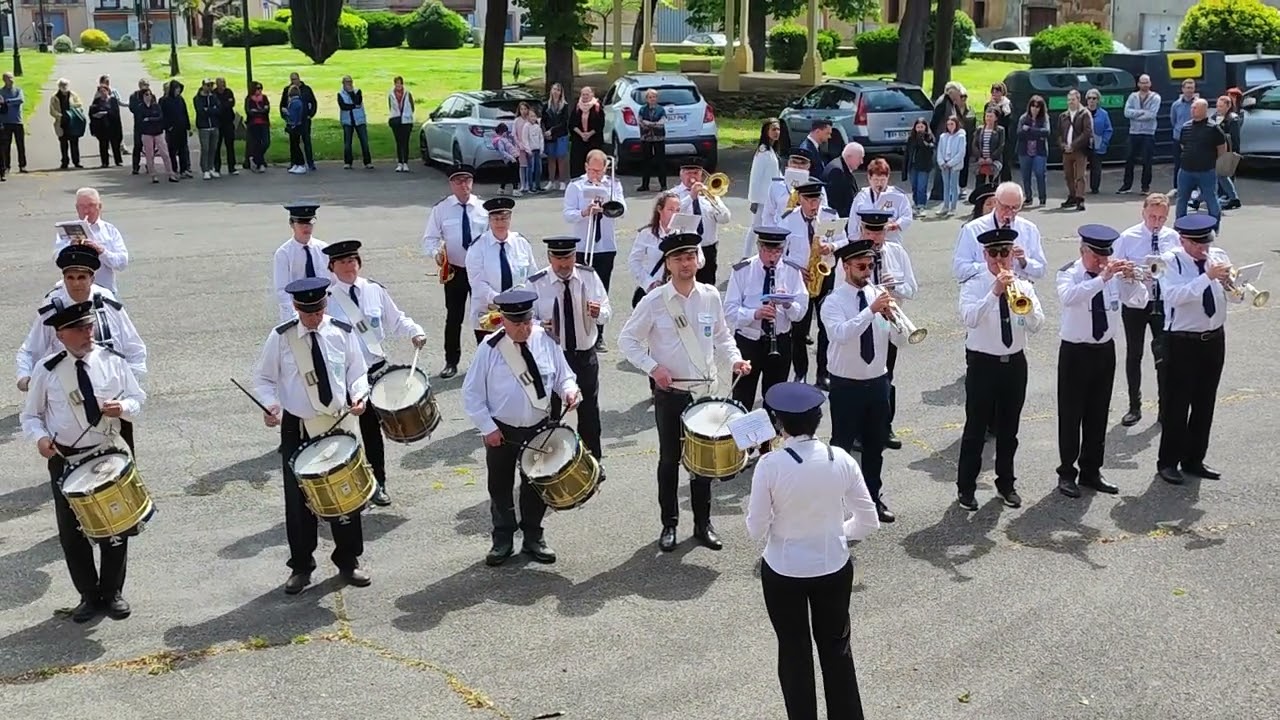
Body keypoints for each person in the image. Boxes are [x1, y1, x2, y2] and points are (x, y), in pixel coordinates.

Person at [746, 381, 878, 720]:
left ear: (779, 424)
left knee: (794, 654)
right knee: (837, 650)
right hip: (833, 567)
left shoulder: (770, 466)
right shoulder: (843, 459)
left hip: (785, 572)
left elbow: (755, 529)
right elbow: (868, 521)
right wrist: (835, 533)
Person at [618, 233, 750, 552]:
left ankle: (703, 524)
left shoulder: (709, 296)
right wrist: (653, 368)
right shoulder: (654, 301)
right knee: (670, 460)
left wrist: (735, 360)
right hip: (672, 392)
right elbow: (627, 341)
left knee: (703, 461)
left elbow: (722, 335)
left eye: (690, 257)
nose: (685, 264)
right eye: (678, 259)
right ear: (667, 264)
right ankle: (669, 524)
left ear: (697, 259)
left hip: (705, 390)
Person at [20, 301, 146, 622]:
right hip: (67, 459)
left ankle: (113, 591)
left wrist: (123, 407)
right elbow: (31, 415)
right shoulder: (47, 370)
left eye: (89, 327)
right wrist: (40, 439)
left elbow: (137, 398)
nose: (87, 333)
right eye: (78, 329)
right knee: (72, 533)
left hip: (106, 455)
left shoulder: (111, 361)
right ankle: (88, 596)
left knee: (115, 526)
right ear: (60, 335)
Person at [252, 278, 372, 594]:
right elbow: (263, 379)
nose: (314, 318)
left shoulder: (341, 333)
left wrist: (359, 396)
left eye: (318, 311)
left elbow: (357, 373)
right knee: (299, 501)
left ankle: (349, 561)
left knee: (344, 497)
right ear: (295, 307)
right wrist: (271, 406)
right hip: (299, 426)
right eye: (308, 313)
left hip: (338, 421)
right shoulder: (281, 338)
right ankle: (301, 567)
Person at [461, 288, 581, 566]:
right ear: (503, 321)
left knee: (537, 484)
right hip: (503, 430)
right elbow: (472, 394)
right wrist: (487, 428)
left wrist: (569, 391)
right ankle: (502, 539)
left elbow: (565, 376)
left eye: (528, 322)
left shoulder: (545, 341)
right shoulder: (490, 348)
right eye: (518, 324)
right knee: (500, 486)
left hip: (539, 427)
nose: (524, 329)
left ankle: (533, 537)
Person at [321, 240, 427, 507]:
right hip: (346, 377)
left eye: (353, 261)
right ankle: (347, 487)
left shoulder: (374, 290)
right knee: (346, 434)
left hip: (376, 370)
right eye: (342, 262)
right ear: (332, 267)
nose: (349, 266)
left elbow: (396, 318)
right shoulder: (327, 299)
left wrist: (414, 331)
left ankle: (378, 483)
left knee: (373, 434)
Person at [18, 246, 147, 451]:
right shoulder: (53, 307)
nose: (76, 284)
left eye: (81, 277)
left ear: (92, 278)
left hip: (110, 393)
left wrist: (128, 385)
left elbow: (133, 347)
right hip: (68, 388)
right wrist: (25, 377)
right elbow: (31, 348)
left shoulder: (107, 302)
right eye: (70, 278)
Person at [1055, 225, 1149, 498]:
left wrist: (1133, 279)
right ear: (1083, 251)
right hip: (1075, 352)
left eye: (1105, 257)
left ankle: (1091, 470)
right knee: (1071, 415)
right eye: (1096, 258)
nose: (1101, 262)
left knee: (1098, 414)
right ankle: (1066, 472)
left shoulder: (1112, 275)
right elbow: (1069, 298)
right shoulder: (1069, 273)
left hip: (1103, 351)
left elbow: (1140, 302)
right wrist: (1102, 279)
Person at [955, 227, 1045, 511]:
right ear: (984, 255)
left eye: (1004, 253)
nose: (999, 259)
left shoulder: (1024, 286)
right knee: (975, 428)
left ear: (1011, 254)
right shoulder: (973, 284)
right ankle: (966, 487)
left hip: (1014, 363)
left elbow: (1037, 324)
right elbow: (969, 318)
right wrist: (994, 293)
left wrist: (1024, 304)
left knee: (1010, 429)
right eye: (993, 254)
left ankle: (1006, 483)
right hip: (983, 363)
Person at [821, 234, 904, 523]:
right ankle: (834, 502)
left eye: (869, 266)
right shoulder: (834, 302)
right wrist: (870, 312)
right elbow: (841, 334)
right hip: (846, 384)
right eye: (861, 266)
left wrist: (896, 320)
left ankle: (872, 497)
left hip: (877, 381)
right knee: (841, 446)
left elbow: (896, 340)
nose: (867, 272)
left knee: (874, 445)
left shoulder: (877, 296)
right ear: (846, 266)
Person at [1154, 214, 1239, 486]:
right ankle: (1168, 462)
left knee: (1205, 402)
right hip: (1182, 341)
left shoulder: (1218, 255)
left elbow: (1232, 295)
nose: (1204, 248)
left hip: (1213, 338)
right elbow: (1174, 296)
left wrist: (1233, 286)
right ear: (1182, 240)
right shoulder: (1169, 261)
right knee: (1177, 404)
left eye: (1207, 242)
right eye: (1197, 243)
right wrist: (1206, 277)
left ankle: (1194, 459)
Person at [527, 236, 611, 478]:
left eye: (569, 258)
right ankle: (550, 466)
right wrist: (539, 326)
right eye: (559, 259)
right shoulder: (537, 282)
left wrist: (599, 312)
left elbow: (607, 310)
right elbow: (525, 320)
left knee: (589, 413)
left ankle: (593, 462)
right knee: (550, 414)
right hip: (553, 357)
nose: (564, 265)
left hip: (584, 354)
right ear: (549, 258)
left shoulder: (588, 276)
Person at [723, 227, 809, 444]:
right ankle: (742, 445)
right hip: (749, 342)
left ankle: (767, 444)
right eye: (769, 251)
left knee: (775, 395)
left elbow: (800, 313)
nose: (773, 256)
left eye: (778, 251)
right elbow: (730, 310)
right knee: (743, 396)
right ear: (760, 247)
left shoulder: (791, 271)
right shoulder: (743, 271)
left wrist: (787, 303)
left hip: (779, 340)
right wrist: (756, 313)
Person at [1114, 193, 1179, 426]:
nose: (1156, 222)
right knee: (1135, 353)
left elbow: (1180, 267)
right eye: (1152, 216)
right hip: (1135, 302)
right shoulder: (1128, 237)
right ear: (1143, 212)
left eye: (1162, 218)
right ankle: (1134, 405)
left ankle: (1165, 407)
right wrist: (1127, 271)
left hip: (1162, 302)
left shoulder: (1173, 237)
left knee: (1165, 356)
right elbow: (1115, 265)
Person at [855, 210, 918, 451]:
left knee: (886, 375)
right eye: (869, 231)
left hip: (888, 321)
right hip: (863, 321)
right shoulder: (852, 256)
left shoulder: (897, 253)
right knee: (862, 376)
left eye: (879, 231)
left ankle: (885, 426)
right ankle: (860, 430)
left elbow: (912, 289)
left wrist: (897, 286)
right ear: (862, 230)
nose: (874, 237)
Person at [778, 179, 847, 388]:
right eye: (809, 200)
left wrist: (832, 246)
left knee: (826, 327)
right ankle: (800, 372)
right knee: (799, 330)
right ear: (800, 199)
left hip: (825, 275)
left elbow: (845, 239)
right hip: (800, 278)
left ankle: (822, 373)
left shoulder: (829, 215)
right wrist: (797, 269)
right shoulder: (788, 220)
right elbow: (780, 251)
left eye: (816, 199)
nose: (813, 204)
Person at [422, 165, 487, 378]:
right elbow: (430, 239)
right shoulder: (441, 209)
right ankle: (451, 361)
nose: (463, 185)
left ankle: (486, 361)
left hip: (480, 272)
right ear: (451, 184)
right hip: (456, 271)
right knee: (454, 317)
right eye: (458, 181)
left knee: (484, 317)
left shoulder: (483, 208)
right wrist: (436, 253)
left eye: (467, 180)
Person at [562, 149, 627, 350]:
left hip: (605, 246)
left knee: (602, 290)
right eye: (592, 170)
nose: (596, 175)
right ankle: (582, 331)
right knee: (581, 289)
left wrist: (607, 207)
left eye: (599, 171)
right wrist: (584, 212)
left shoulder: (613, 185)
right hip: (583, 245)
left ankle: (599, 334)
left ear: (606, 169)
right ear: (586, 167)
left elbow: (622, 212)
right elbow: (568, 214)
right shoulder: (576, 186)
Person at [467, 197, 537, 344]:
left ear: (510, 218)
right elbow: (477, 283)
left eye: (504, 218)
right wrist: (502, 302)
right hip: (489, 313)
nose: (500, 223)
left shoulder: (521, 243)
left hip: (519, 313)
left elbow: (532, 276)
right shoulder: (477, 247)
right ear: (489, 220)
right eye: (495, 219)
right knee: (491, 359)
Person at [952, 182, 1047, 283]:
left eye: (1015, 208)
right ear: (996, 202)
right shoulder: (972, 228)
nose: (1010, 212)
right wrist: (992, 264)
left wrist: (1024, 262)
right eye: (1005, 207)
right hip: (983, 292)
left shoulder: (1029, 229)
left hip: (1021, 290)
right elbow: (959, 270)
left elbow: (1041, 270)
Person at [628, 194, 707, 307]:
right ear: (660, 210)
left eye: (678, 210)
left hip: (682, 290)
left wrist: (688, 260)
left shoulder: (688, 231)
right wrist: (649, 282)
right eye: (670, 209)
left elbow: (701, 261)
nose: (675, 214)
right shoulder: (647, 233)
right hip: (656, 290)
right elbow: (634, 262)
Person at [53, 187, 130, 296]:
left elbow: (122, 263)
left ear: (100, 206)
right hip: (74, 293)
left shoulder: (109, 230)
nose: (86, 211)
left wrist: (101, 251)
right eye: (82, 207)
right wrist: (70, 247)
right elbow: (56, 258)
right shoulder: (67, 231)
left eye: (91, 205)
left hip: (105, 292)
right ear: (76, 208)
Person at [672, 158, 730, 285]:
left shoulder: (709, 193)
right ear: (681, 174)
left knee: (708, 288)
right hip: (685, 249)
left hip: (708, 248)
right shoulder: (673, 194)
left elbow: (725, 218)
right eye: (688, 173)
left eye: (696, 173)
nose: (692, 176)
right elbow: (671, 217)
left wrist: (715, 200)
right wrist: (691, 196)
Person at [272, 204, 330, 321]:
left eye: (309, 223)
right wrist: (296, 316)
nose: (306, 227)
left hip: (324, 309)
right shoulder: (284, 253)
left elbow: (333, 282)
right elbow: (282, 290)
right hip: (297, 310)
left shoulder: (324, 249)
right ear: (292, 224)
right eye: (301, 223)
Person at [851, 158, 913, 246]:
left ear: (888, 177)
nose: (879, 184)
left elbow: (907, 217)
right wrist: (854, 240)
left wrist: (895, 225)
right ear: (869, 178)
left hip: (891, 242)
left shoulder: (898, 195)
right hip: (867, 243)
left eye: (883, 180)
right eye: (876, 180)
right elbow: (853, 221)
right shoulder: (861, 196)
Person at [743, 118, 783, 243]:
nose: (776, 132)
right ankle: (746, 255)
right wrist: (754, 200)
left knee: (768, 226)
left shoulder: (772, 150)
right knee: (755, 227)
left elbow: (776, 173)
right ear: (766, 131)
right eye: (773, 129)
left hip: (772, 197)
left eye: (778, 129)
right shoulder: (763, 152)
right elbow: (755, 177)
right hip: (762, 199)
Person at [1057, 89, 1093, 211]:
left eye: (1073, 100)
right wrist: (1063, 145)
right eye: (1069, 100)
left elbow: (1087, 132)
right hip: (1066, 151)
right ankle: (1072, 195)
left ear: (1078, 100)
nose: (1070, 102)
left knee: (1080, 175)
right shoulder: (1063, 116)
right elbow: (1059, 134)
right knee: (1068, 175)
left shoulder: (1085, 114)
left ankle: (1080, 198)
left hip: (1080, 150)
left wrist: (1073, 145)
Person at [279, 72, 318, 171]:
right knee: (294, 143)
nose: (294, 82)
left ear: (299, 79)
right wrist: (286, 117)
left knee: (307, 141)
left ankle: (310, 162)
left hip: (305, 120)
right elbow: (283, 104)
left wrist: (310, 114)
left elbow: (313, 102)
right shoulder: (287, 90)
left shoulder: (306, 90)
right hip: (293, 121)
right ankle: (294, 162)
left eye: (295, 79)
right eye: (292, 80)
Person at [338, 75, 373, 171]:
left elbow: (358, 101)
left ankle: (368, 161)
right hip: (347, 121)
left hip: (359, 120)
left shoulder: (357, 91)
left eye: (350, 82)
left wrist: (351, 93)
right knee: (347, 143)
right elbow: (343, 106)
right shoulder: (340, 94)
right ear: (343, 83)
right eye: (347, 82)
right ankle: (348, 162)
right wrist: (354, 106)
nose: (349, 84)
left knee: (364, 141)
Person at [49, 78, 85, 170]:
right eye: (62, 85)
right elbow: (52, 110)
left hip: (73, 121)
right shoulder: (54, 97)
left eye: (65, 85)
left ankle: (76, 162)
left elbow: (80, 104)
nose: (64, 87)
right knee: (63, 143)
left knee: (74, 142)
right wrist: (59, 116)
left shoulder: (73, 95)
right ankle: (64, 162)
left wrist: (73, 110)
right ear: (59, 86)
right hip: (61, 122)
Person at [568, 86, 604, 177]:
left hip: (593, 139)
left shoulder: (597, 107)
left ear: (592, 95)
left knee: (593, 161)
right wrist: (581, 134)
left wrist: (589, 134)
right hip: (579, 139)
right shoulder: (577, 106)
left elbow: (600, 124)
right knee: (577, 163)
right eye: (583, 94)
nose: (585, 96)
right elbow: (572, 123)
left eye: (587, 94)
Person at [636, 88, 667, 191]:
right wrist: (652, 124)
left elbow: (662, 121)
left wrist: (650, 124)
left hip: (659, 138)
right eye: (650, 97)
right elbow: (640, 121)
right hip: (646, 138)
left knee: (660, 162)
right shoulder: (642, 109)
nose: (652, 99)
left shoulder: (661, 109)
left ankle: (663, 185)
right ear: (646, 99)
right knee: (646, 162)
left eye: (654, 97)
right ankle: (645, 185)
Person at [88, 84, 124, 169]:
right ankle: (104, 162)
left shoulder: (113, 100)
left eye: (104, 91)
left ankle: (118, 161)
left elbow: (115, 112)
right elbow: (92, 112)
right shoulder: (96, 101)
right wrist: (96, 115)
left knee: (115, 144)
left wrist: (106, 113)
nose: (103, 93)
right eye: (100, 91)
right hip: (102, 127)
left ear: (108, 91)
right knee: (103, 145)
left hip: (113, 126)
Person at [1, 72, 29, 175]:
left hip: (17, 121)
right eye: (9, 78)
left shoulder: (18, 90)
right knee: (6, 146)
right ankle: (6, 166)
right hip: (5, 122)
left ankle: (22, 165)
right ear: (4, 80)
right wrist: (10, 103)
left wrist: (7, 102)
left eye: (12, 78)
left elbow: (20, 100)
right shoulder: (1, 92)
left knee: (20, 145)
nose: (11, 80)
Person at [387, 76, 415, 173]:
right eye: (396, 83)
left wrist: (408, 116)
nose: (398, 85)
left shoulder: (407, 93)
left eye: (400, 83)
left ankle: (406, 163)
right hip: (396, 120)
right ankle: (400, 163)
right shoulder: (391, 94)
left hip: (406, 121)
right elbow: (390, 106)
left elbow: (412, 106)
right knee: (398, 142)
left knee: (405, 142)